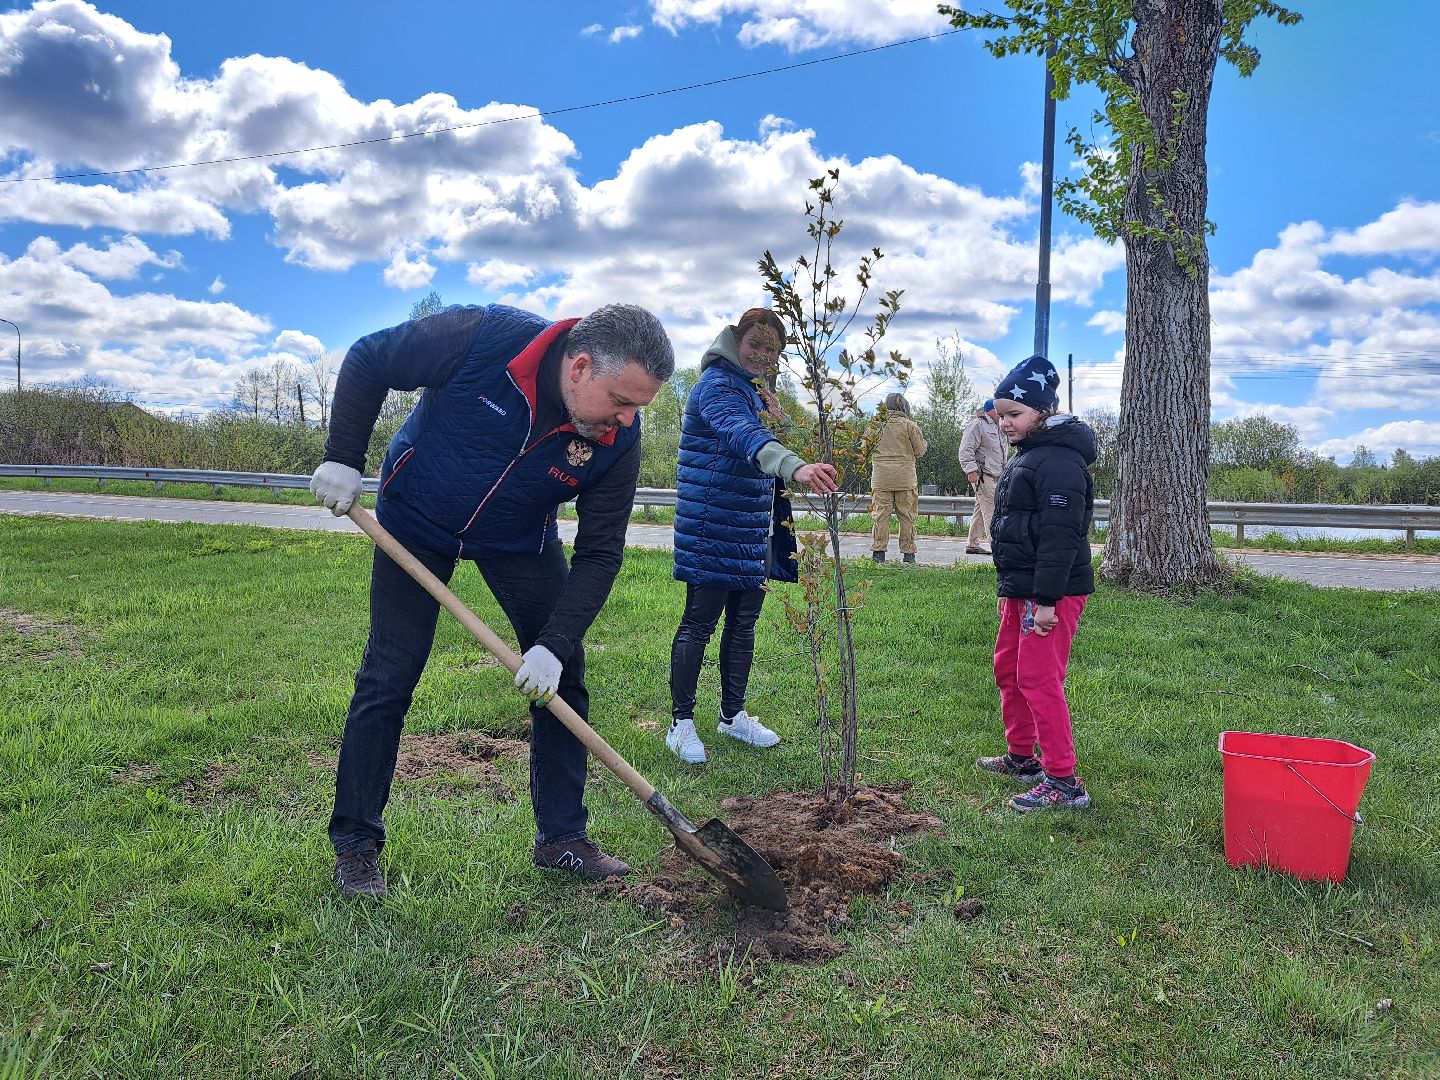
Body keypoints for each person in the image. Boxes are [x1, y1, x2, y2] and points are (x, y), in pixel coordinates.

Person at [308, 302, 674, 898]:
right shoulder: (480, 338)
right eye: (621, 401)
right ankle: (356, 844)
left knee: (565, 676)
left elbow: (601, 553)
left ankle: (562, 839)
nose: (627, 420)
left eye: (638, 407)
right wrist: (343, 457)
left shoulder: (617, 440)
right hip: (417, 520)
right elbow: (370, 358)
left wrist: (553, 645)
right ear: (580, 368)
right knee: (390, 673)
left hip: (515, 537)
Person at [665, 308, 839, 765]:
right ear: (735, 340)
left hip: (751, 526)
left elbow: (761, 435)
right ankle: (680, 722)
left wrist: (779, 422)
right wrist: (794, 465)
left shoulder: (756, 390)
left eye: (772, 349)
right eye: (755, 345)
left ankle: (733, 715)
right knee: (699, 623)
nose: (762, 355)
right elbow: (741, 436)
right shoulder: (718, 385)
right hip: (713, 524)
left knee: (743, 624)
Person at [975, 354, 1097, 812]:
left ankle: (1063, 780)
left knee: (1039, 678)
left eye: (1014, 414)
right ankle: (1022, 757)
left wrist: (1046, 601)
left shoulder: (1060, 462)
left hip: (1052, 593)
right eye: (999, 413)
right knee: (1009, 669)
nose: (1004, 423)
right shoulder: (1031, 454)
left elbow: (1060, 538)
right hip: (1023, 589)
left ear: (1043, 411)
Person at [869, 392, 929, 564]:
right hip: (905, 478)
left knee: (880, 516)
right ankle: (908, 554)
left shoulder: (875, 426)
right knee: (907, 516)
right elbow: (919, 451)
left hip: (881, 479)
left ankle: (878, 553)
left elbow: (865, 449)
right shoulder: (910, 425)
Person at [958, 398, 1007, 555]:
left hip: (995, 476)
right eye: (999, 410)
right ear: (991, 410)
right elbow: (965, 449)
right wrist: (971, 470)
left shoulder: (999, 426)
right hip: (984, 475)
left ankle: (972, 544)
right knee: (992, 510)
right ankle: (997, 547)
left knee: (981, 509)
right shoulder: (978, 425)